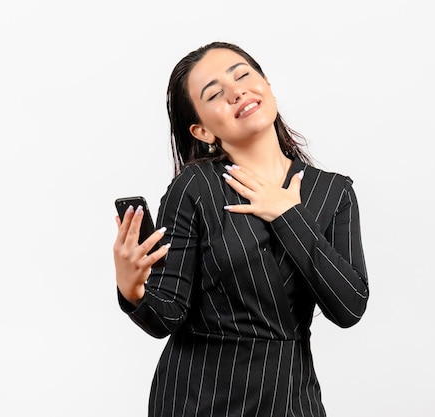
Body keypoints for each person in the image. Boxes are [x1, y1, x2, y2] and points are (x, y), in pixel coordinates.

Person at [113, 41, 369, 417]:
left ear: (266, 84)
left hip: (289, 398)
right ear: (201, 131)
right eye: (215, 94)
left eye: (243, 75)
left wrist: (287, 215)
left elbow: (349, 307)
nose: (237, 92)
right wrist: (131, 289)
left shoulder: (334, 192)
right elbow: (166, 315)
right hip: (196, 399)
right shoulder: (195, 187)